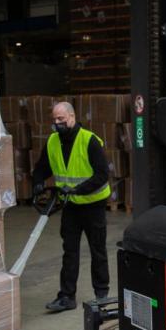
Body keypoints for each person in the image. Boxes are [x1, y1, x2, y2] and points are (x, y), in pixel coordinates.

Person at [32, 101, 112, 312]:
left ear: (72, 117)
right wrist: (38, 182)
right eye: (54, 120)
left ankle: (101, 294)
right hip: (70, 206)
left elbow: (102, 174)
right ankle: (67, 296)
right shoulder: (52, 142)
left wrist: (78, 190)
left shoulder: (89, 140)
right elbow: (41, 167)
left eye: (61, 119)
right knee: (70, 251)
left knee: (97, 250)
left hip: (93, 204)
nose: (57, 123)